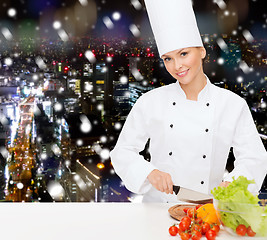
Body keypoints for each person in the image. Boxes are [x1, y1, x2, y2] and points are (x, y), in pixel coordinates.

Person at [110, 0, 267, 202]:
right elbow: (122, 152)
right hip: (158, 209)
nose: (177, 66)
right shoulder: (150, 102)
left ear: (201, 51)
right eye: (168, 58)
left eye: (184, 54)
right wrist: (150, 172)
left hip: (207, 210)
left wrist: (233, 183)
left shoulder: (232, 104)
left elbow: (254, 158)